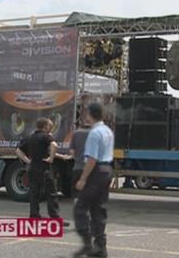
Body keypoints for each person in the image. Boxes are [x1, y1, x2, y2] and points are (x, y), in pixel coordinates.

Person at [73, 103, 114, 258]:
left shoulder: (94, 133)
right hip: (106, 170)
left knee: (80, 207)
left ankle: (87, 244)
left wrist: (83, 178)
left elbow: (92, 158)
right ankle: (100, 247)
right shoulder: (107, 131)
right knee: (99, 208)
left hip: (95, 171)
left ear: (90, 114)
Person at [15, 118, 60, 219]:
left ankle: (34, 215)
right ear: (45, 126)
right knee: (51, 192)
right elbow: (54, 145)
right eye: (50, 127)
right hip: (44, 168)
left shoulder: (30, 136)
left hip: (32, 168)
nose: (51, 129)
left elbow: (18, 150)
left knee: (34, 193)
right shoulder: (46, 136)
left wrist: (27, 161)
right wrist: (51, 158)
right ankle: (54, 217)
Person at [69, 125, 90, 198]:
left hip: (78, 167)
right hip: (92, 169)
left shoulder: (76, 133)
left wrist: (77, 159)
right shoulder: (95, 133)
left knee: (77, 193)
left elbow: (71, 150)